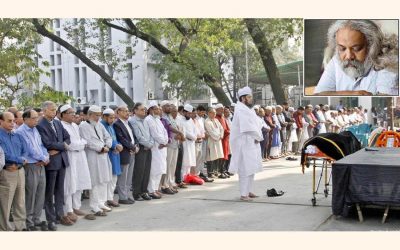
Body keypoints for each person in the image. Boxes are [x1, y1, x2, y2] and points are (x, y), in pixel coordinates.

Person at [314, 20, 398, 95]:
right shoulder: (336, 61)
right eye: (342, 49)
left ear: (372, 46)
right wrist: (350, 93)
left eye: (356, 49)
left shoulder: (388, 60)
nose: (348, 56)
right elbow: (318, 94)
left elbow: (385, 97)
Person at [36, 101, 71, 230]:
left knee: (60, 190)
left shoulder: (57, 122)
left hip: (61, 160)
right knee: (49, 192)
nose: (54, 112)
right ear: (44, 111)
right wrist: (62, 146)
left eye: (55, 110)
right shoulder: (40, 124)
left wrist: (60, 147)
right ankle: (51, 219)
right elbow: (47, 143)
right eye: (51, 110)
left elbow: (68, 138)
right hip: (51, 163)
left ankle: (60, 215)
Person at [15, 109, 50, 231]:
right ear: (25, 119)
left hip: (41, 165)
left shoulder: (35, 129)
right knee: (31, 194)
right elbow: (29, 149)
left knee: (40, 193)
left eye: (37, 118)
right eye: (34, 118)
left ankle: (37, 219)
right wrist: (42, 158)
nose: (37, 120)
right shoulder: (20, 132)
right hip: (30, 165)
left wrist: (46, 157)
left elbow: (41, 146)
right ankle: (29, 221)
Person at [59, 105, 95, 222]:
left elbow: (83, 141)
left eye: (74, 112)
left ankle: (76, 207)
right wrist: (81, 144)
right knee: (70, 183)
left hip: (80, 156)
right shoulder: (61, 126)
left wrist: (80, 143)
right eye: (70, 112)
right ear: (63, 114)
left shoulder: (75, 125)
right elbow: (70, 145)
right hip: (70, 157)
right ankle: (68, 210)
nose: (74, 114)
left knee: (80, 181)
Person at [229, 87, 263, 201]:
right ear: (243, 98)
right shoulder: (241, 110)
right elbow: (247, 128)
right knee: (245, 169)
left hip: (251, 143)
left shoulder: (248, 109)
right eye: (249, 97)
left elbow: (257, 123)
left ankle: (248, 190)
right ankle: (244, 194)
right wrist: (258, 136)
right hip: (243, 144)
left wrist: (257, 136)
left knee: (251, 168)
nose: (251, 99)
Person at [79, 105, 113, 216]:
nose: (98, 118)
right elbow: (87, 142)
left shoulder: (100, 125)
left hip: (103, 155)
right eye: (96, 115)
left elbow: (108, 136)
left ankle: (101, 202)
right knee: (95, 181)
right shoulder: (83, 126)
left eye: (99, 115)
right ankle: (94, 206)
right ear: (89, 115)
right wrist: (101, 148)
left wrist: (107, 145)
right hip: (92, 155)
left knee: (104, 180)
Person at [0, 112, 28, 231]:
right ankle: (5, 229)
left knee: (20, 201)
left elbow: (25, 150)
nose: (13, 123)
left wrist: (20, 162)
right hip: (7, 172)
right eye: (9, 121)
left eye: (13, 120)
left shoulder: (17, 135)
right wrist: (20, 160)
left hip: (19, 171)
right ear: (1, 121)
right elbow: (3, 155)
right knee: (5, 203)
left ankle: (20, 227)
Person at [113, 105, 138, 205]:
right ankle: (122, 197)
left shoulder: (129, 123)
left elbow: (133, 137)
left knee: (129, 176)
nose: (127, 113)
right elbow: (122, 139)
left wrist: (136, 146)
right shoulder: (117, 124)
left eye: (128, 111)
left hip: (132, 151)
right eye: (125, 111)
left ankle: (127, 195)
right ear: (118, 112)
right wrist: (132, 147)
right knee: (123, 176)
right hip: (125, 152)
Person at [129, 102, 154, 201]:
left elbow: (150, 134)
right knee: (139, 171)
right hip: (141, 148)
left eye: (145, 109)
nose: (144, 111)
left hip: (148, 148)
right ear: (135, 110)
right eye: (142, 109)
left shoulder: (145, 120)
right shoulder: (133, 121)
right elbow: (138, 136)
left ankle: (144, 191)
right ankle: (136, 193)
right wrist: (148, 144)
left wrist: (151, 144)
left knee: (146, 171)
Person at [145, 101, 169, 199]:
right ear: (150, 110)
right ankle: (151, 190)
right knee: (154, 170)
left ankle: (156, 189)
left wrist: (165, 142)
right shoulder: (149, 119)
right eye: (155, 109)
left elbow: (164, 132)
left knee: (160, 169)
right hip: (155, 148)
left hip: (162, 147)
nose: (158, 111)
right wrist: (163, 142)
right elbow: (154, 134)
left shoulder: (158, 119)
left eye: (158, 109)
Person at [100, 108, 123, 207]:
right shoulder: (101, 125)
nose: (112, 120)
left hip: (115, 154)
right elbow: (105, 140)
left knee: (114, 177)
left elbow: (114, 138)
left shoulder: (111, 125)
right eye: (110, 118)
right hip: (108, 154)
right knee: (108, 178)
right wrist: (115, 146)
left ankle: (110, 198)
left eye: (114, 117)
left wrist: (119, 145)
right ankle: (105, 199)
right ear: (104, 117)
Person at [204, 107, 224, 178]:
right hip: (211, 141)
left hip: (218, 140)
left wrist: (221, 135)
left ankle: (216, 171)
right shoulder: (207, 121)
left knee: (218, 156)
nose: (214, 114)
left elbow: (221, 128)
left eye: (215, 113)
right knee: (211, 157)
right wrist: (217, 137)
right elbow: (210, 132)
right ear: (209, 113)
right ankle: (210, 172)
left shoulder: (216, 120)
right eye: (213, 113)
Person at [181, 104, 197, 180]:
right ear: (184, 112)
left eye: (191, 113)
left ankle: (187, 177)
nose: (190, 115)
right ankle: (182, 178)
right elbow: (184, 132)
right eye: (188, 113)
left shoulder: (191, 120)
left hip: (191, 143)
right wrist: (192, 137)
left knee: (190, 161)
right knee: (185, 162)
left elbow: (195, 131)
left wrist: (194, 137)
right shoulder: (180, 120)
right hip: (185, 143)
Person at [215, 103, 230, 178]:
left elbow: (227, 127)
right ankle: (220, 171)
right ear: (216, 110)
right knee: (221, 155)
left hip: (226, 139)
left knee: (225, 155)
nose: (222, 110)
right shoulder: (216, 118)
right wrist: (227, 132)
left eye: (222, 109)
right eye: (220, 109)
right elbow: (220, 129)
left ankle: (224, 170)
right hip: (221, 139)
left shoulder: (223, 117)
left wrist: (228, 131)